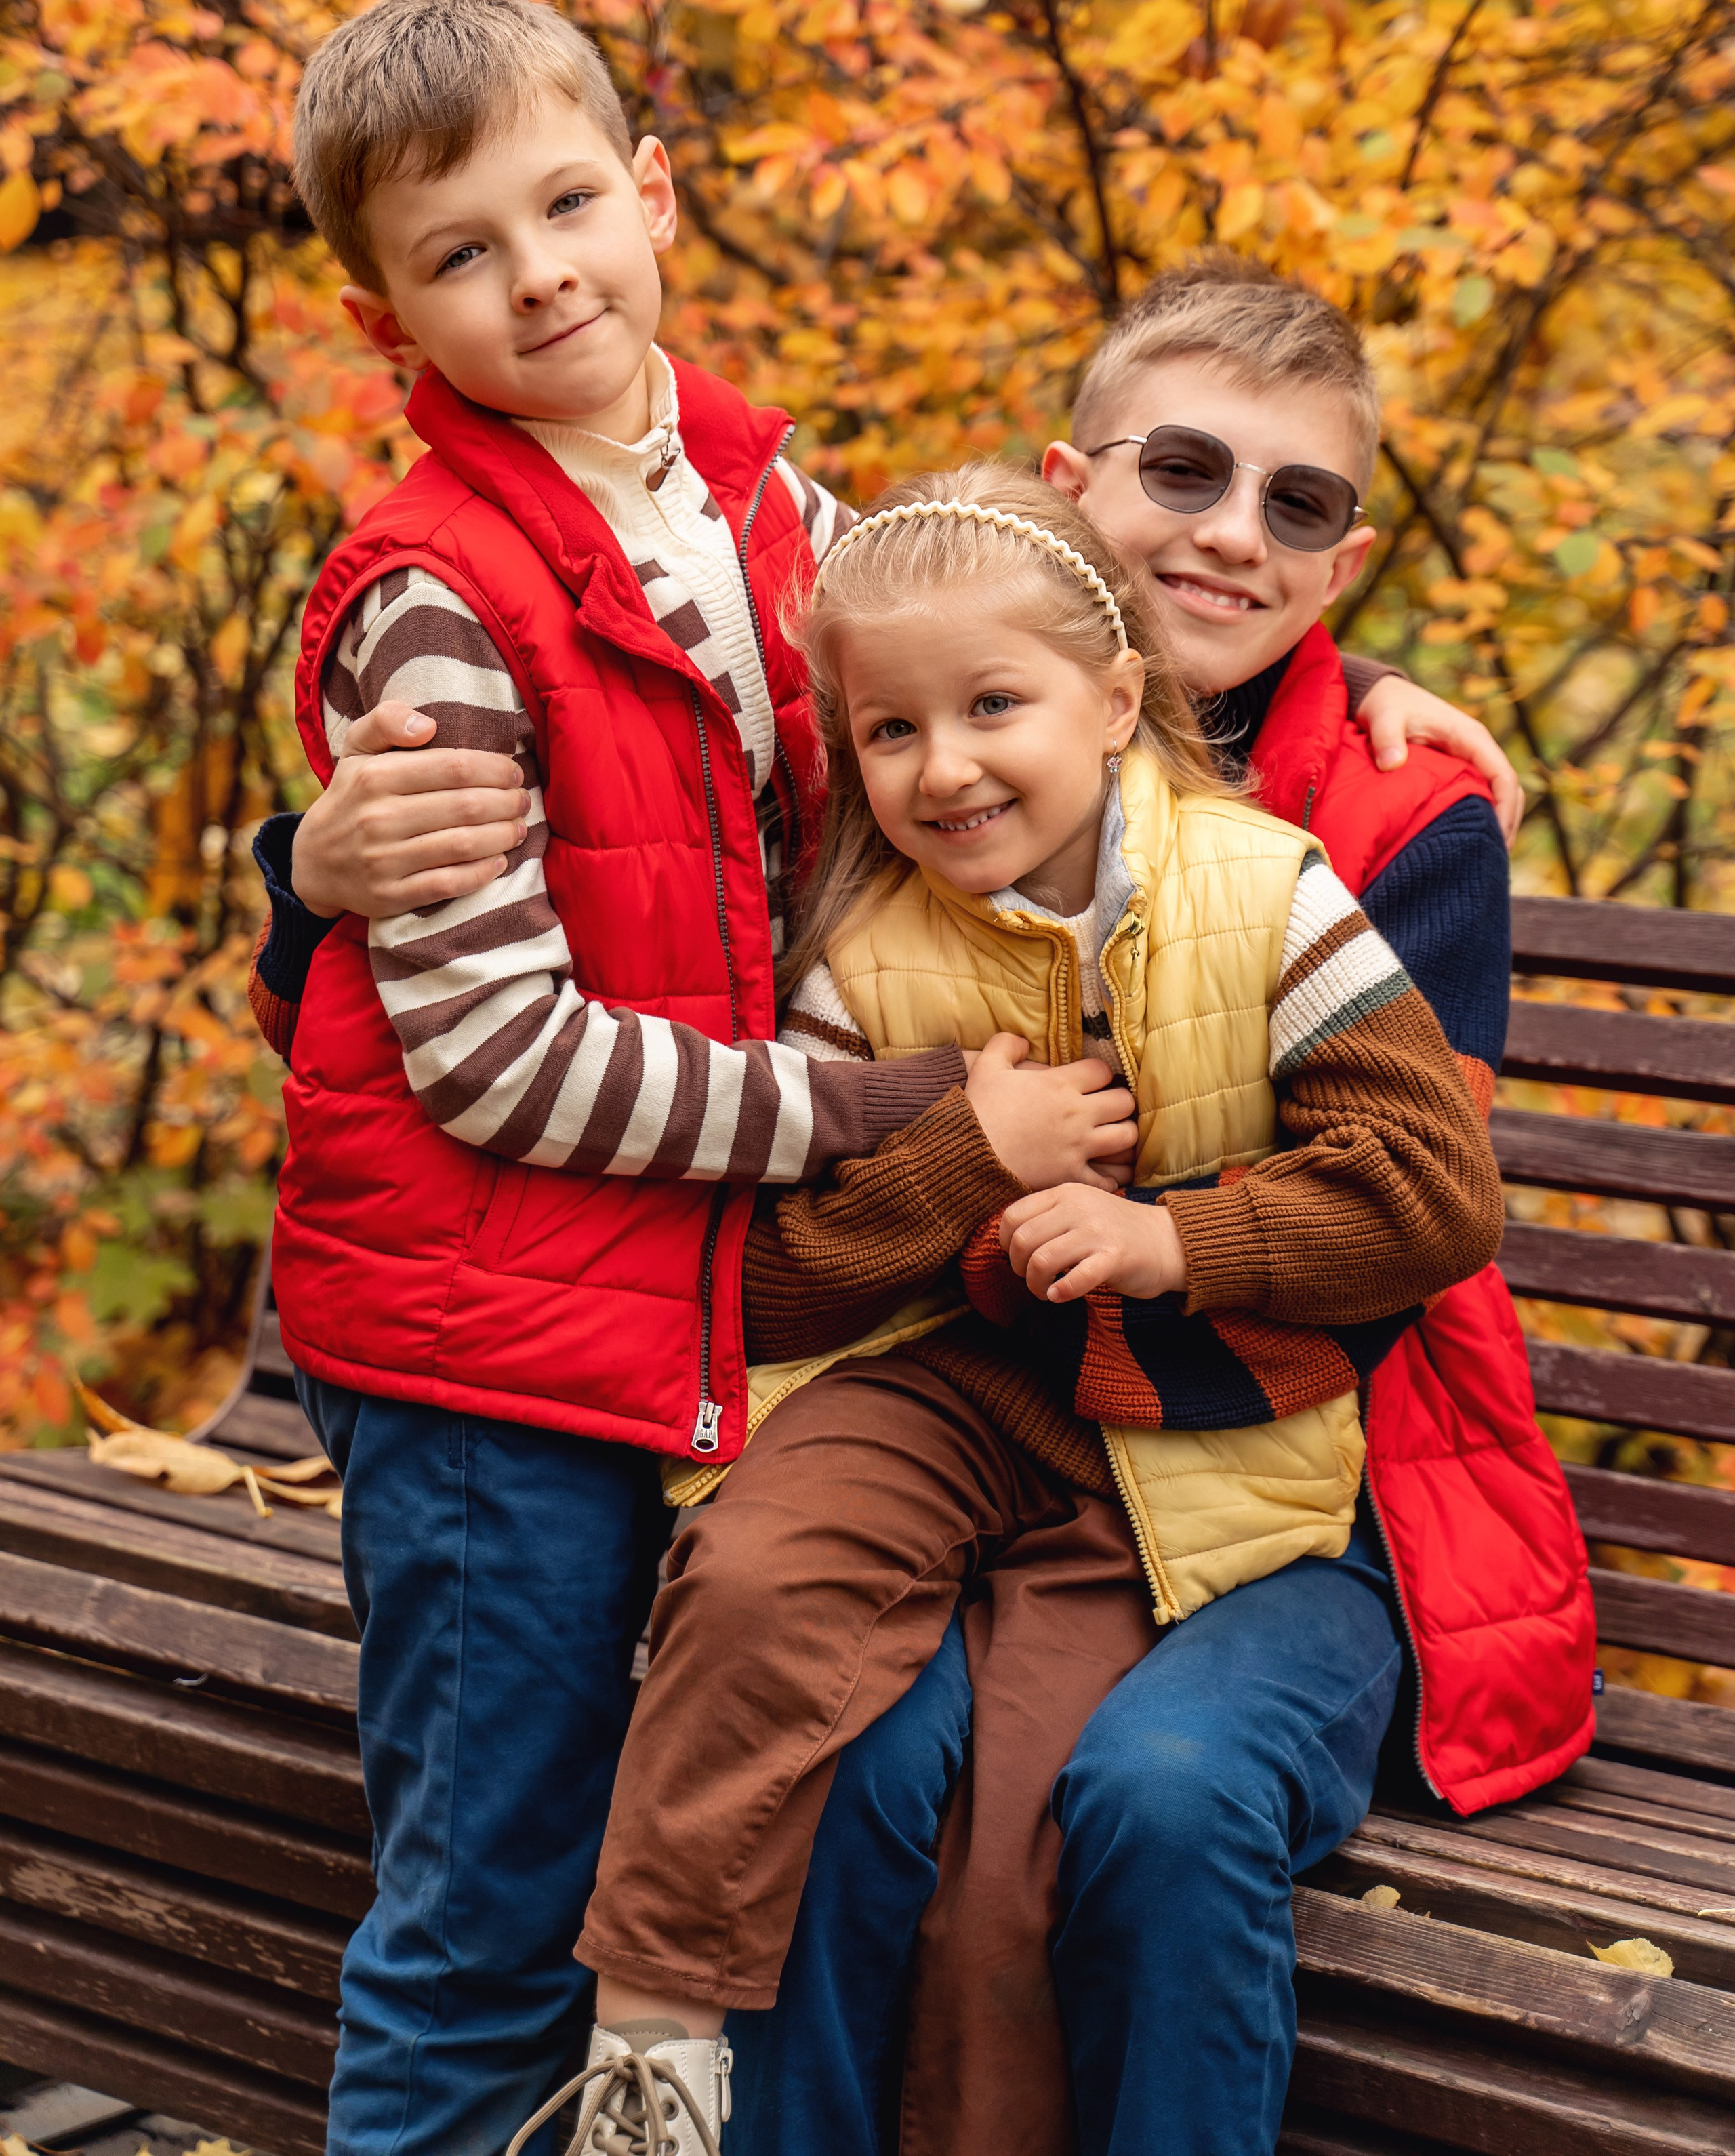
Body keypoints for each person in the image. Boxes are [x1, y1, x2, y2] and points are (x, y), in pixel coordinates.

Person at [256, 257, 1594, 2153]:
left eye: (1298, 508)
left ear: (1341, 565)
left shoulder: (1359, 824)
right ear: (1071, 487)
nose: (1233, 535)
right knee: (856, 1757)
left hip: (1286, 1454)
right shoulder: (929, 734)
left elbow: (1400, 1207)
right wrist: (311, 866)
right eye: (1185, 475)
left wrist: (1143, 1235)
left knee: (1104, 1798)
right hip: (946, 1408)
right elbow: (636, 813)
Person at [266, 0, 1141, 2156]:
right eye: (462, 253)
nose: (538, 271)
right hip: (491, 1359)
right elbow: (499, 1064)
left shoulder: (765, 509)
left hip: (680, 1324)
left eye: (569, 205)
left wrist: (1381, 696)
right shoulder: (438, 602)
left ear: (652, 198)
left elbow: (1017, 660)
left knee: (686, 1866)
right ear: (394, 327)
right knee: (490, 1923)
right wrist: (920, 1117)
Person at [493, 459, 1497, 2156]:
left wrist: (1178, 1244)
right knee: (750, 1567)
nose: (943, 767)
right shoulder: (859, 952)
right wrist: (966, 1153)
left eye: (991, 709)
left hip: (1160, 1451)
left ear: (1115, 703)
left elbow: (1432, 1193)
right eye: (889, 734)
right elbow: (770, 1277)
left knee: (1012, 1842)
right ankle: (652, 2044)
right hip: (927, 1387)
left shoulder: (1270, 894)